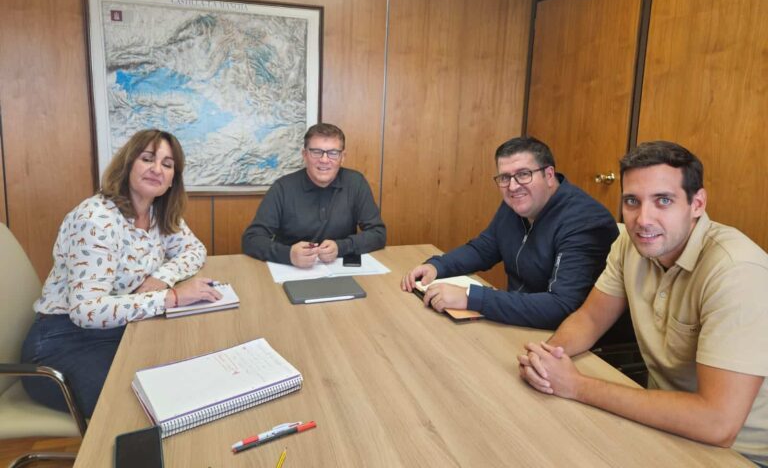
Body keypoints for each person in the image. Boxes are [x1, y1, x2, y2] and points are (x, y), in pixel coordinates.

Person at [518, 141, 768, 467]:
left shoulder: (737, 271)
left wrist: (576, 385)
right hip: (660, 423)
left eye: (663, 200)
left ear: (697, 204)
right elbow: (591, 319)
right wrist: (547, 362)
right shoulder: (629, 243)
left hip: (738, 453)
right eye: (632, 201)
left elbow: (718, 423)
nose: (643, 219)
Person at [21, 129, 220, 417]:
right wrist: (171, 297)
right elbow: (86, 310)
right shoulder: (97, 219)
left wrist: (161, 278)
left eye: (167, 164)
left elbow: (195, 250)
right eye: (148, 159)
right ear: (128, 164)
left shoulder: (158, 214)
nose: (156, 169)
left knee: (188, 363)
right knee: (149, 405)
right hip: (60, 344)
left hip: (115, 328)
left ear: (172, 180)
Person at [401, 136, 618, 329]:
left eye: (523, 174)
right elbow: (484, 248)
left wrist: (471, 297)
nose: (513, 187)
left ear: (549, 175)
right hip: (517, 321)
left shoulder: (585, 221)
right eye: (504, 178)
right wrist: (438, 266)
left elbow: (562, 307)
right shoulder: (517, 204)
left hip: (567, 341)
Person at [242, 123, 386, 267]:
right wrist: (288, 254)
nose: (324, 160)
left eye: (333, 153)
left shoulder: (356, 183)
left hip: (340, 271)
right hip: (291, 271)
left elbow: (378, 234)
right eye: (316, 152)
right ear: (305, 155)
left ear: (343, 157)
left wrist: (341, 247)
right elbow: (251, 240)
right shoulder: (283, 188)